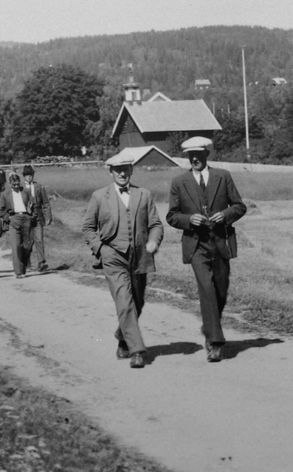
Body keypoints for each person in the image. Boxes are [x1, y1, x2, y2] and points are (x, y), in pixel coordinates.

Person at [165, 136, 246, 362]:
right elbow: (171, 216)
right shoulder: (179, 182)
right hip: (196, 245)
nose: (194, 160)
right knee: (206, 289)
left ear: (206, 155)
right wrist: (190, 219)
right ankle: (215, 342)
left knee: (220, 290)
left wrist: (226, 215)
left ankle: (210, 328)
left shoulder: (223, 176)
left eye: (198, 155)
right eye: (191, 157)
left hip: (221, 242)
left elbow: (240, 206)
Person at [82, 150, 163, 369]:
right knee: (124, 301)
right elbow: (88, 228)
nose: (122, 173)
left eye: (126, 169)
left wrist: (154, 241)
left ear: (131, 170)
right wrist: (101, 249)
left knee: (138, 302)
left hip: (140, 257)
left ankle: (122, 334)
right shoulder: (100, 197)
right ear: (111, 172)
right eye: (118, 170)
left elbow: (155, 224)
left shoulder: (144, 195)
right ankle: (137, 350)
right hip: (113, 257)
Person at [0, 172, 35, 278]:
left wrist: (32, 216)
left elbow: (34, 205)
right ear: (10, 184)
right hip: (13, 219)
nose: (16, 186)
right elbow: (0, 210)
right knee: (16, 246)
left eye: (18, 184)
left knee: (28, 245)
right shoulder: (5, 194)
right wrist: (8, 219)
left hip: (26, 218)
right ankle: (18, 271)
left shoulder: (26, 192)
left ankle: (24, 264)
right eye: (14, 185)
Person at [22, 164, 53, 272]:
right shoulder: (21, 188)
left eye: (31, 175)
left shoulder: (39, 187)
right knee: (28, 241)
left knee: (39, 239)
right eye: (27, 175)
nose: (29, 177)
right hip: (26, 217)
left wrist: (48, 216)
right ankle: (27, 262)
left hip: (38, 217)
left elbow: (45, 203)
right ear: (24, 176)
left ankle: (41, 262)